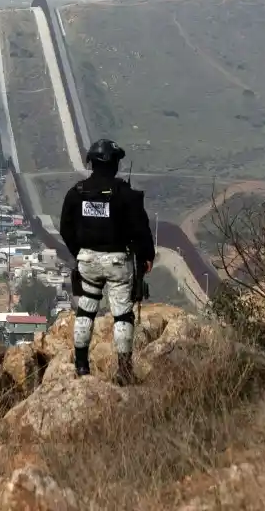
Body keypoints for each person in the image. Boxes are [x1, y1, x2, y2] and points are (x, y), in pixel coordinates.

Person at [59, 138, 156, 385]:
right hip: (118, 262)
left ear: (92, 163)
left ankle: (82, 367)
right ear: (114, 164)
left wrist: (78, 252)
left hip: (87, 260)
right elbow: (141, 230)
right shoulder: (125, 194)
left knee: (86, 309)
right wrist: (146, 256)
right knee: (122, 315)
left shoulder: (76, 193)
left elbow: (65, 228)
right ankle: (124, 372)